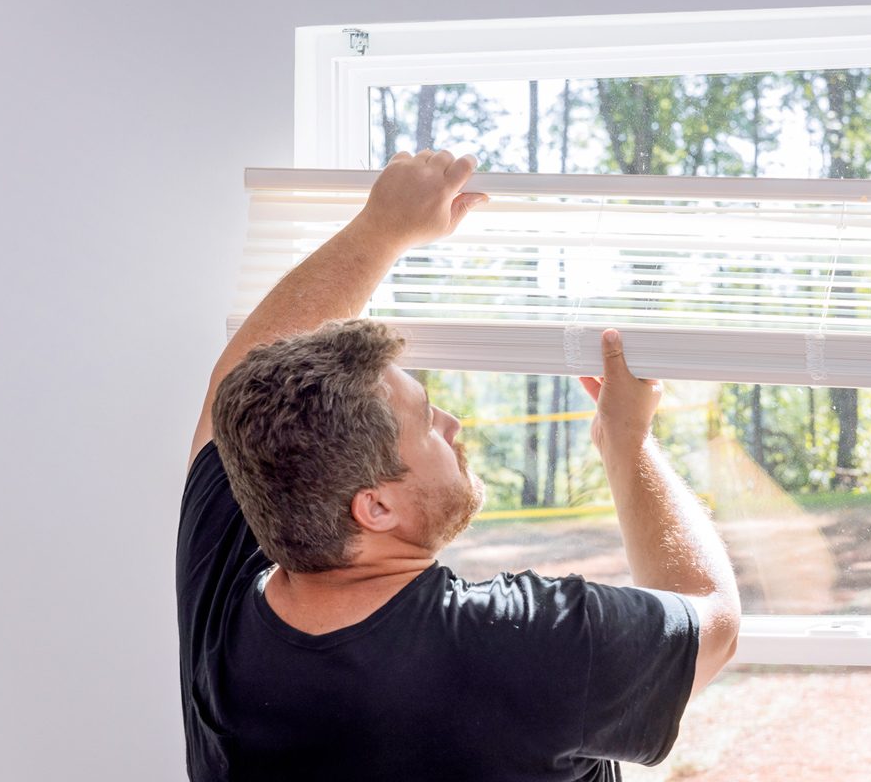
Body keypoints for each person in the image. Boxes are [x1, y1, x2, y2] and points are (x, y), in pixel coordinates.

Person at [178, 148, 741, 781]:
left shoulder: (226, 605)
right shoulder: (519, 646)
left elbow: (236, 384)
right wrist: (629, 444)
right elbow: (710, 619)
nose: (453, 424)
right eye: (426, 421)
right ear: (376, 506)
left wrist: (380, 230)